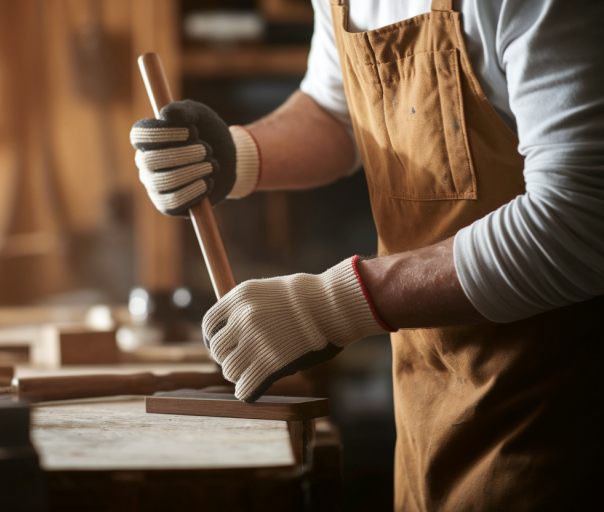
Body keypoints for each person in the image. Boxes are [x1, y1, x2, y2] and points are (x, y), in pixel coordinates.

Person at [130, 0, 604, 509]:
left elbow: (580, 223)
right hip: (428, 409)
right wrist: (233, 157)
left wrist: (329, 306)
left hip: (557, 423)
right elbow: (337, 110)